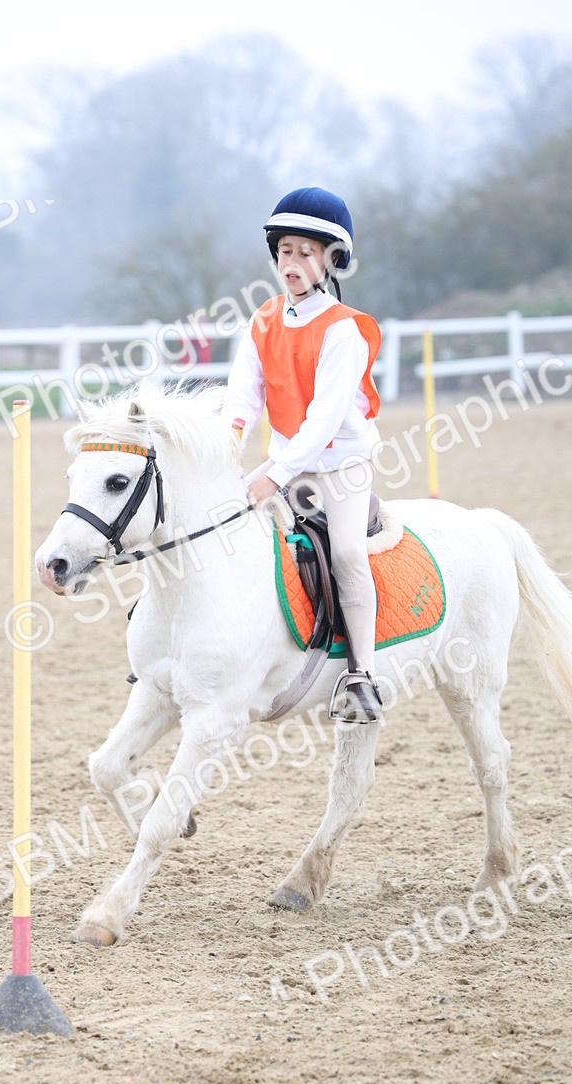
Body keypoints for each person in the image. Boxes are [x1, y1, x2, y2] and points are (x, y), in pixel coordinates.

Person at [224, 186, 383, 722]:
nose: (291, 263)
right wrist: (229, 451)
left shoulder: (344, 330)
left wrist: (272, 477)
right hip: (289, 457)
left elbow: (324, 421)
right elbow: (242, 400)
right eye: (285, 251)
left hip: (340, 465)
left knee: (345, 556)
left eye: (305, 252)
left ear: (331, 259)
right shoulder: (261, 321)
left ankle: (362, 677)